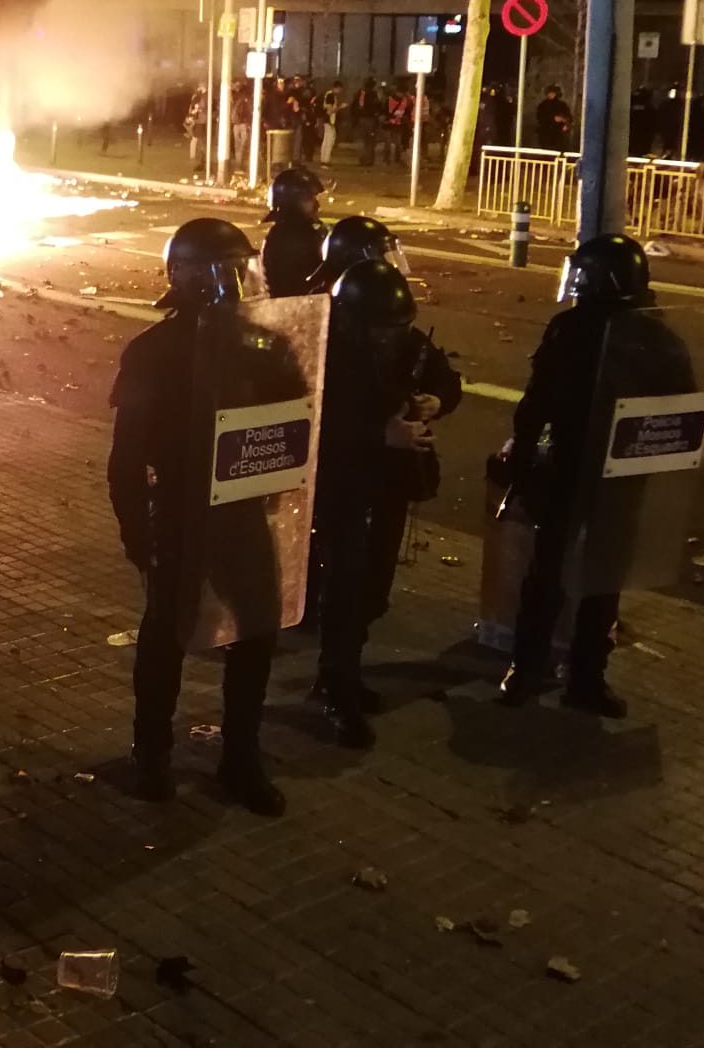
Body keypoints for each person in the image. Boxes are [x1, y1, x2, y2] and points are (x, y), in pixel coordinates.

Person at [110, 217, 287, 816]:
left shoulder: (262, 343)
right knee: (168, 634)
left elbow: (296, 421)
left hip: (244, 509)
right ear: (183, 278)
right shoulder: (154, 353)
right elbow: (127, 460)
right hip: (183, 514)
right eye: (222, 271)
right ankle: (151, 754)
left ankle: (241, 758)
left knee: (256, 631)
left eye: (244, 269)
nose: (237, 283)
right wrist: (140, 540)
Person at [499, 234, 690, 717]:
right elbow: (538, 403)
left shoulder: (640, 336)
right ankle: (547, 670)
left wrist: (524, 455)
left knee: (588, 578)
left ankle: (561, 673)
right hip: (580, 470)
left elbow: (679, 409)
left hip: (606, 473)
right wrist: (525, 455)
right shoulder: (624, 332)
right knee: (560, 575)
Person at [310, 259, 449, 747]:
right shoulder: (325, 350)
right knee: (345, 588)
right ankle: (337, 690)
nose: (393, 338)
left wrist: (436, 399)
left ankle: (340, 672)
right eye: (382, 330)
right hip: (342, 486)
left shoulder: (407, 342)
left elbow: (446, 380)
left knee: (373, 590)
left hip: (391, 485)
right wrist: (378, 434)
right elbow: (312, 425)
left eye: (400, 328)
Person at [259, 165, 327, 298]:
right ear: (290, 202)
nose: (316, 204)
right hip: (295, 311)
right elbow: (301, 287)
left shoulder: (303, 232)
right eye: (309, 199)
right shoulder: (290, 239)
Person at [534, 85, 573, 150]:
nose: (550, 95)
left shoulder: (562, 105)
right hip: (545, 134)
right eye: (549, 93)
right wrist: (552, 118)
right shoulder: (543, 105)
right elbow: (540, 118)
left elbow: (569, 118)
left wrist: (566, 124)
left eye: (552, 93)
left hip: (558, 134)